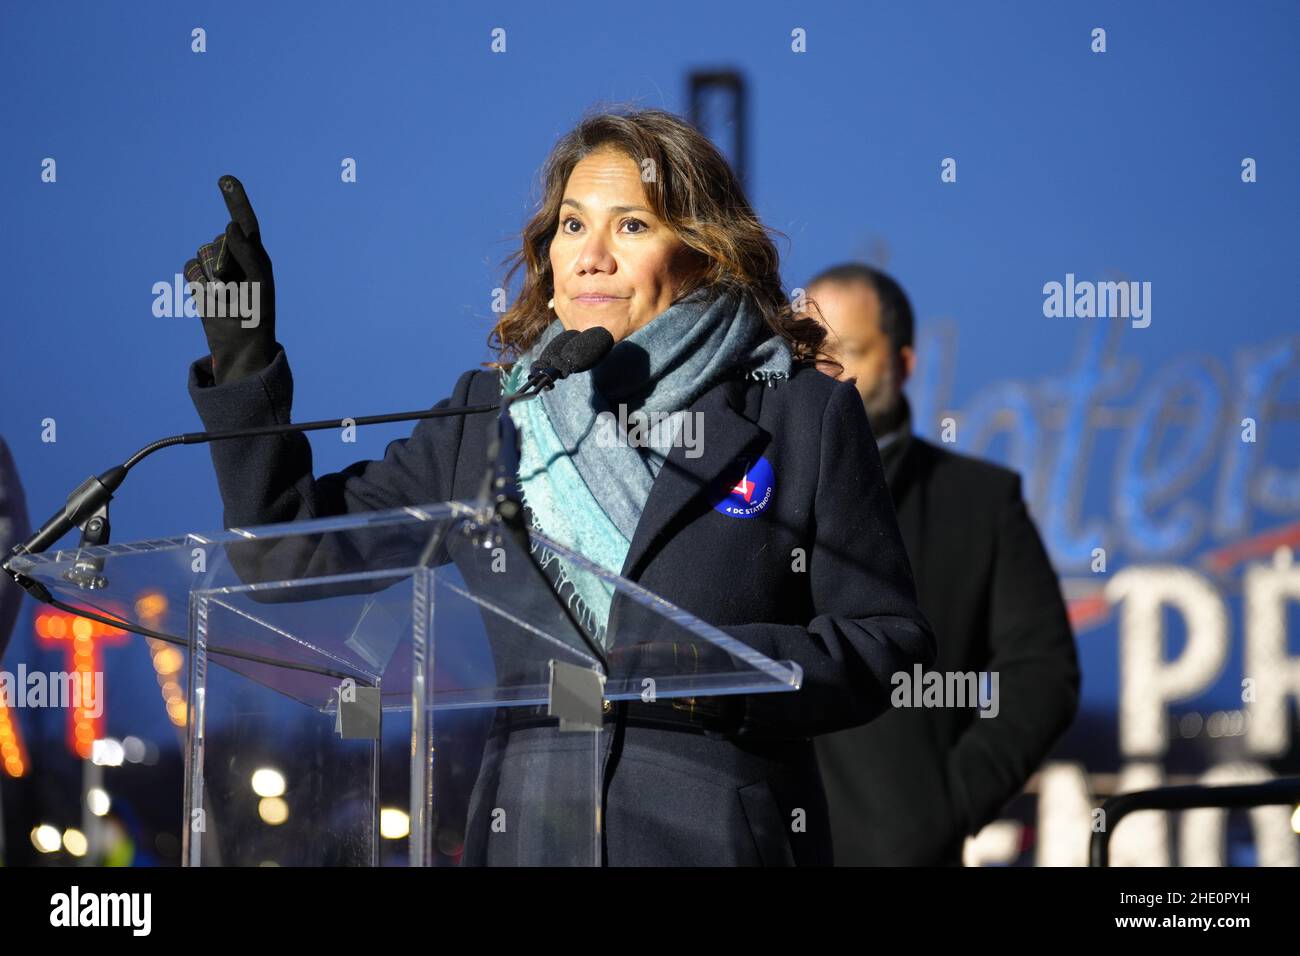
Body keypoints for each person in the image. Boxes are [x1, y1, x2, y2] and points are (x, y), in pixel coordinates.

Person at [181, 108, 934, 866]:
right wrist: (243, 362)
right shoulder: (493, 416)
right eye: (572, 226)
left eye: (632, 226)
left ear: (705, 251)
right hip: (531, 832)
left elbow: (885, 639)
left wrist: (721, 671)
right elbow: (280, 557)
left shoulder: (799, 412)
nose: (591, 257)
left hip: (722, 836)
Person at [807, 263, 1080, 865]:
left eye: (851, 348)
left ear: (904, 364)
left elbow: (1042, 672)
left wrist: (945, 803)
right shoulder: (748, 490)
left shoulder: (980, 503)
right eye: (810, 346)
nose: (828, 367)